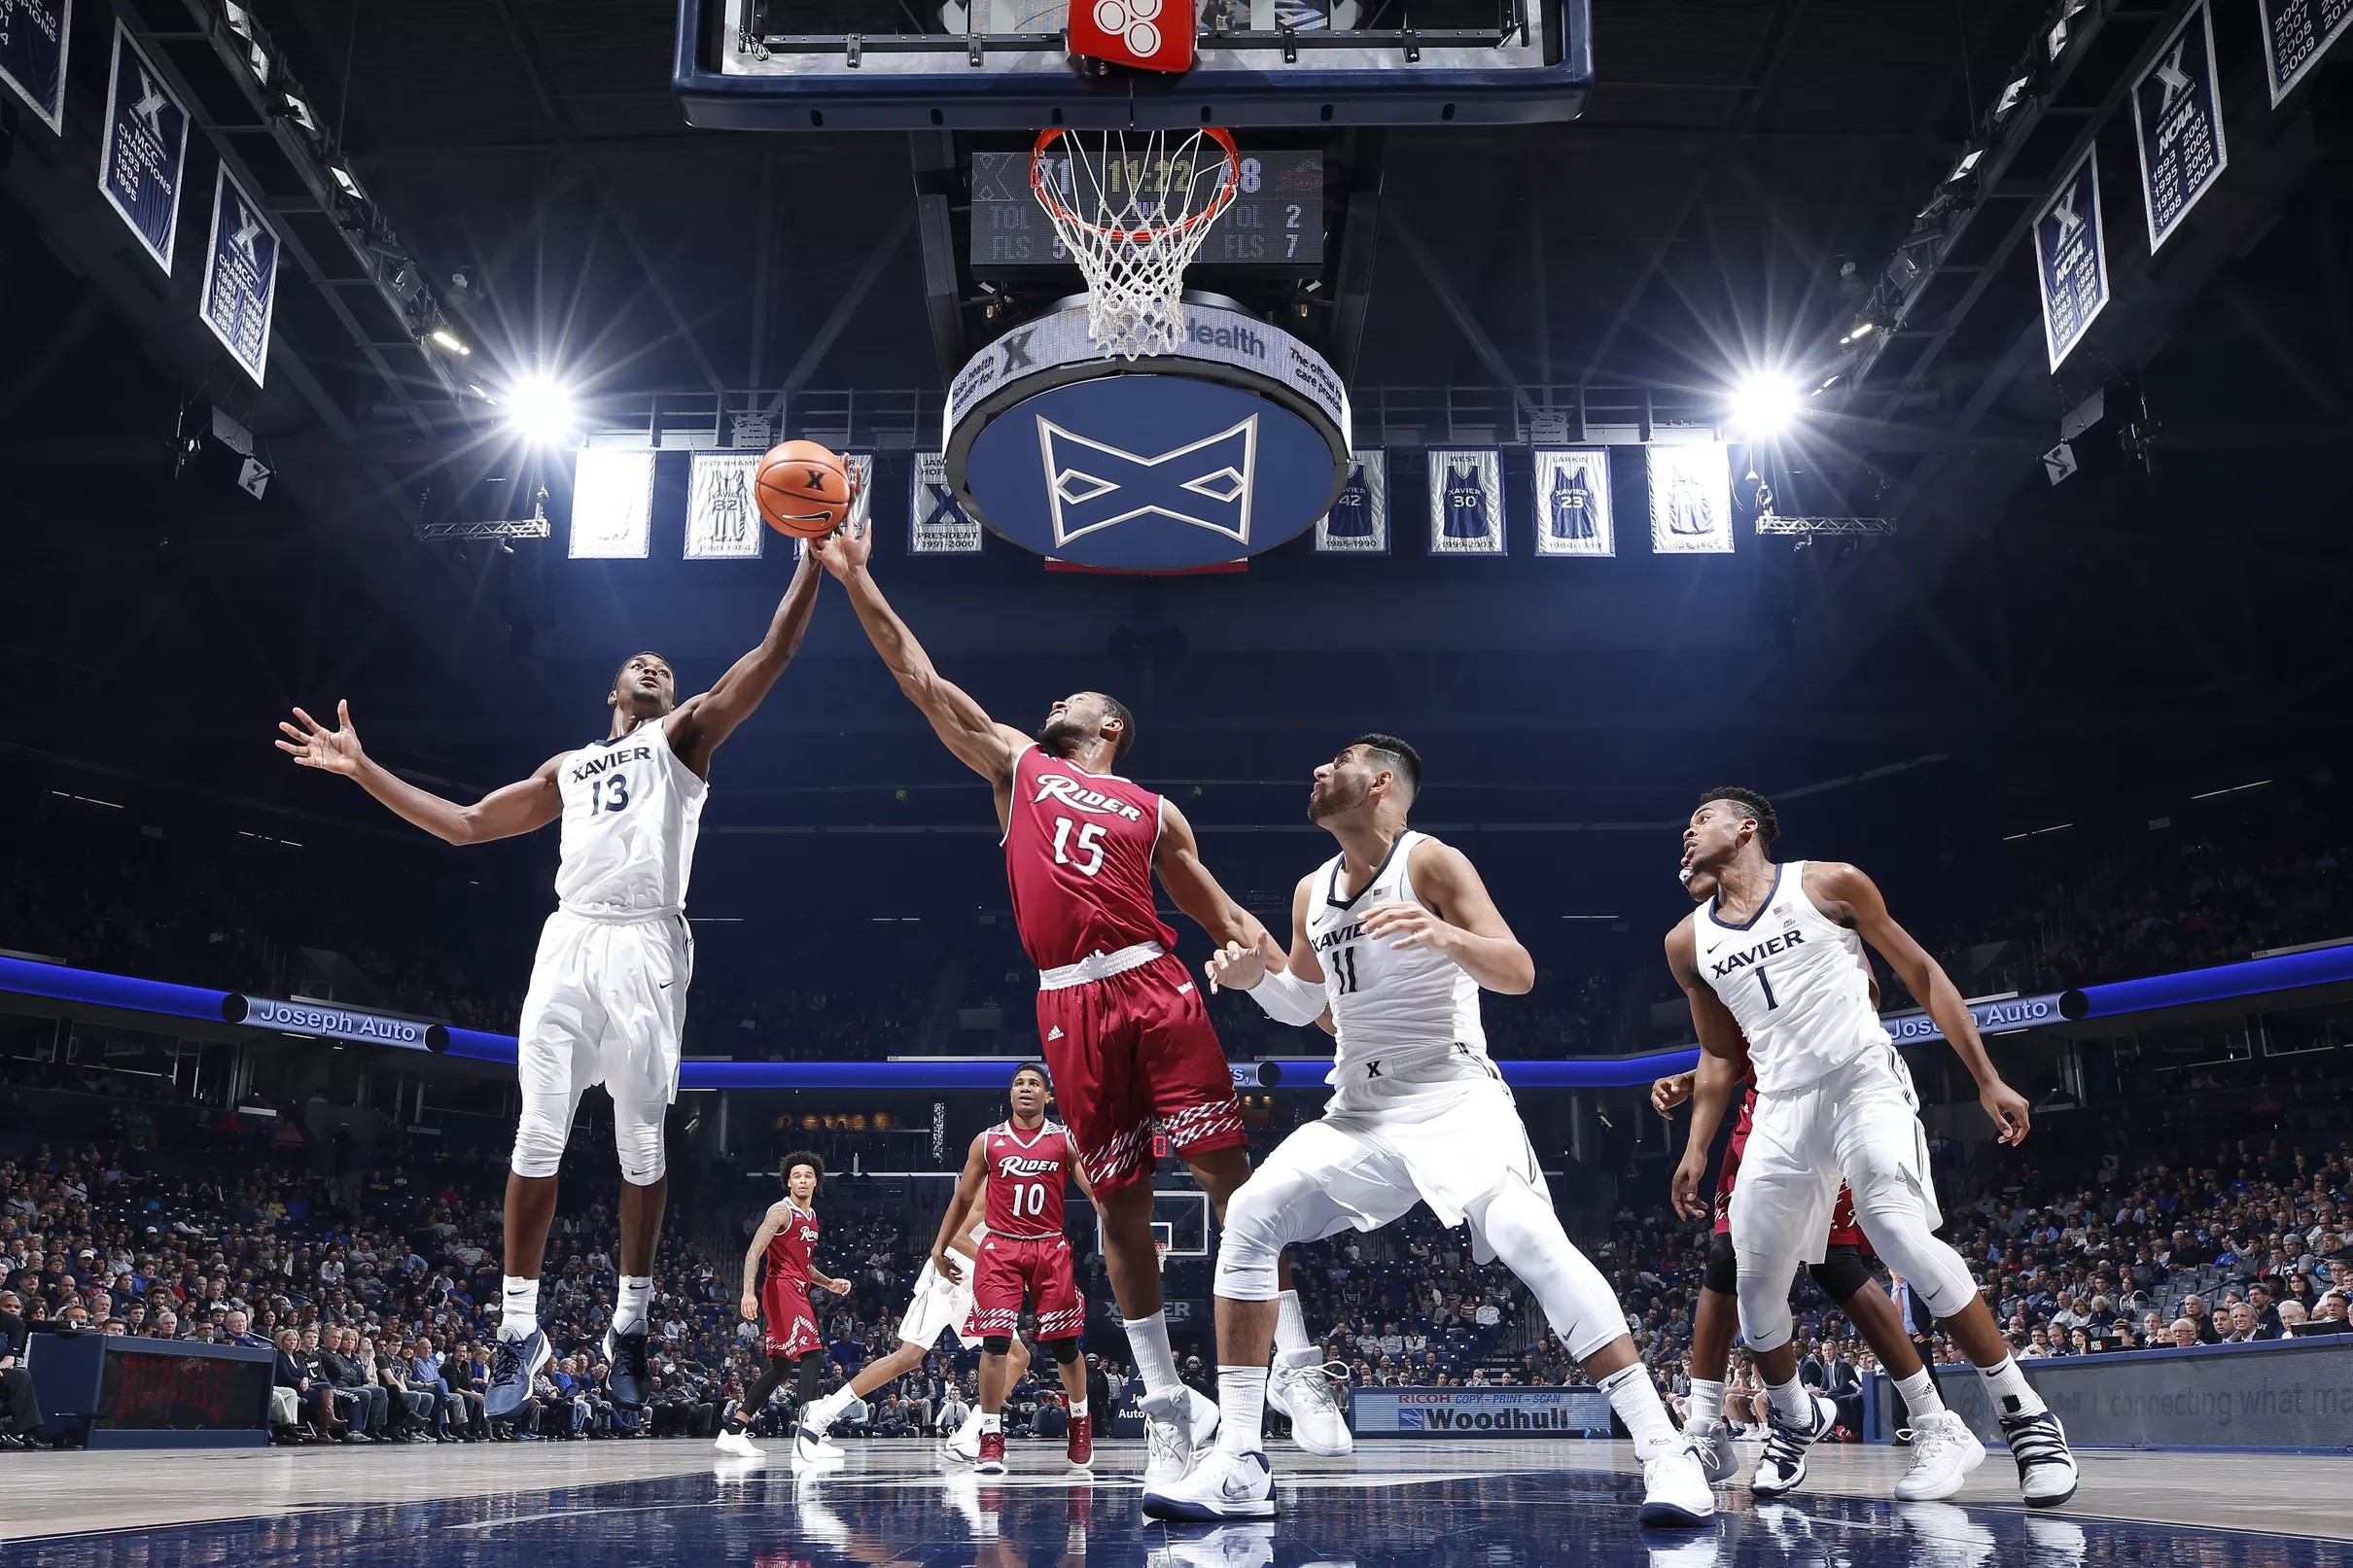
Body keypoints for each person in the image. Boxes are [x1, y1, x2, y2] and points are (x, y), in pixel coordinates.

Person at [808, 521, 1316, 1489]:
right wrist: (858, 577)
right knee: (1119, 1209)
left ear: (1108, 726)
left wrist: (1298, 988)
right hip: (1067, 1004)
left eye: (1069, 699)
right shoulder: (1017, 764)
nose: (1049, 702)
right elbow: (919, 678)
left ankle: (1290, 1359)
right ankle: (1168, 1404)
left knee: (1231, 1179)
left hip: (1151, 981)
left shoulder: (1155, 806)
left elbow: (1223, 911)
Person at [276, 541, 827, 1421]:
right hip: (569, 940)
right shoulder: (566, 767)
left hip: (648, 944)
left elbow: (769, 657)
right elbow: (462, 824)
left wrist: (811, 567)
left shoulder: (679, 740)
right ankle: (518, 1327)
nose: (652, 665)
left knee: (641, 1147)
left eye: (665, 667)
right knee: (538, 1135)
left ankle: (631, 1323)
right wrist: (362, 768)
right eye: (637, 664)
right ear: (612, 692)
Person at [1144, 736, 1708, 1525]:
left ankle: (1666, 1448)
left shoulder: (1431, 861)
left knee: (1530, 1239)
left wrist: (1448, 937)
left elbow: (1518, 969)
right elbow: (1308, 1002)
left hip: (1452, 1095)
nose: (1315, 768)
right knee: (1248, 1214)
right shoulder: (1313, 889)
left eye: (1335, 759)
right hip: (1360, 1112)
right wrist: (1254, 981)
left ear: (1380, 783)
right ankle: (1240, 1458)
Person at [1666, 786, 2077, 1507]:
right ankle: (1798, 1418)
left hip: (1861, 1082)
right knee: (1754, 1286)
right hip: (1781, 1111)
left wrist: (1986, 1076)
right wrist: (1697, 1145)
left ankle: (2026, 1416)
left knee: (1893, 1229)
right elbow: (1718, 1054)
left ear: (1746, 827)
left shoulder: (1829, 882)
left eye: (1703, 818)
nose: (1688, 830)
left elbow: (1920, 972)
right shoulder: (1685, 942)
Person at [920, 1064, 1096, 1475]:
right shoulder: (988, 1142)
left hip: (1050, 1246)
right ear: (1010, 1093)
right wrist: (939, 1246)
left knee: (1065, 1346)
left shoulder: (1064, 1139)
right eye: (1019, 1083)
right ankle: (991, 1436)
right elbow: (962, 1199)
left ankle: (1080, 1419)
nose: (1026, 1089)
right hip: (1000, 1247)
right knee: (995, 1343)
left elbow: (1095, 1193)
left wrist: (1125, 1228)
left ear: (1047, 1096)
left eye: (1034, 1083)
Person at [793, 1198, 1032, 1467]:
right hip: (948, 1277)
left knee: (1018, 1357)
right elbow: (956, 1237)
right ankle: (821, 1414)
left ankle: (968, 1435)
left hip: (978, 1284)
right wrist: (1004, 1267)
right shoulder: (995, 1179)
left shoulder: (1032, 1195)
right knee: (909, 1357)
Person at [717, 1152, 854, 1464]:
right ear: (788, 1182)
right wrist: (748, 1293)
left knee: (779, 1369)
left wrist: (829, 1282)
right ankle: (809, 1433)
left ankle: (734, 1431)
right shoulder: (781, 1211)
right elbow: (754, 1252)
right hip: (780, 1289)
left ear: (816, 1181)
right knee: (813, 1354)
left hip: (796, 1287)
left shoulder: (812, 1216)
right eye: (797, 1176)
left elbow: (803, 1265)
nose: (803, 1180)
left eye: (808, 1175)